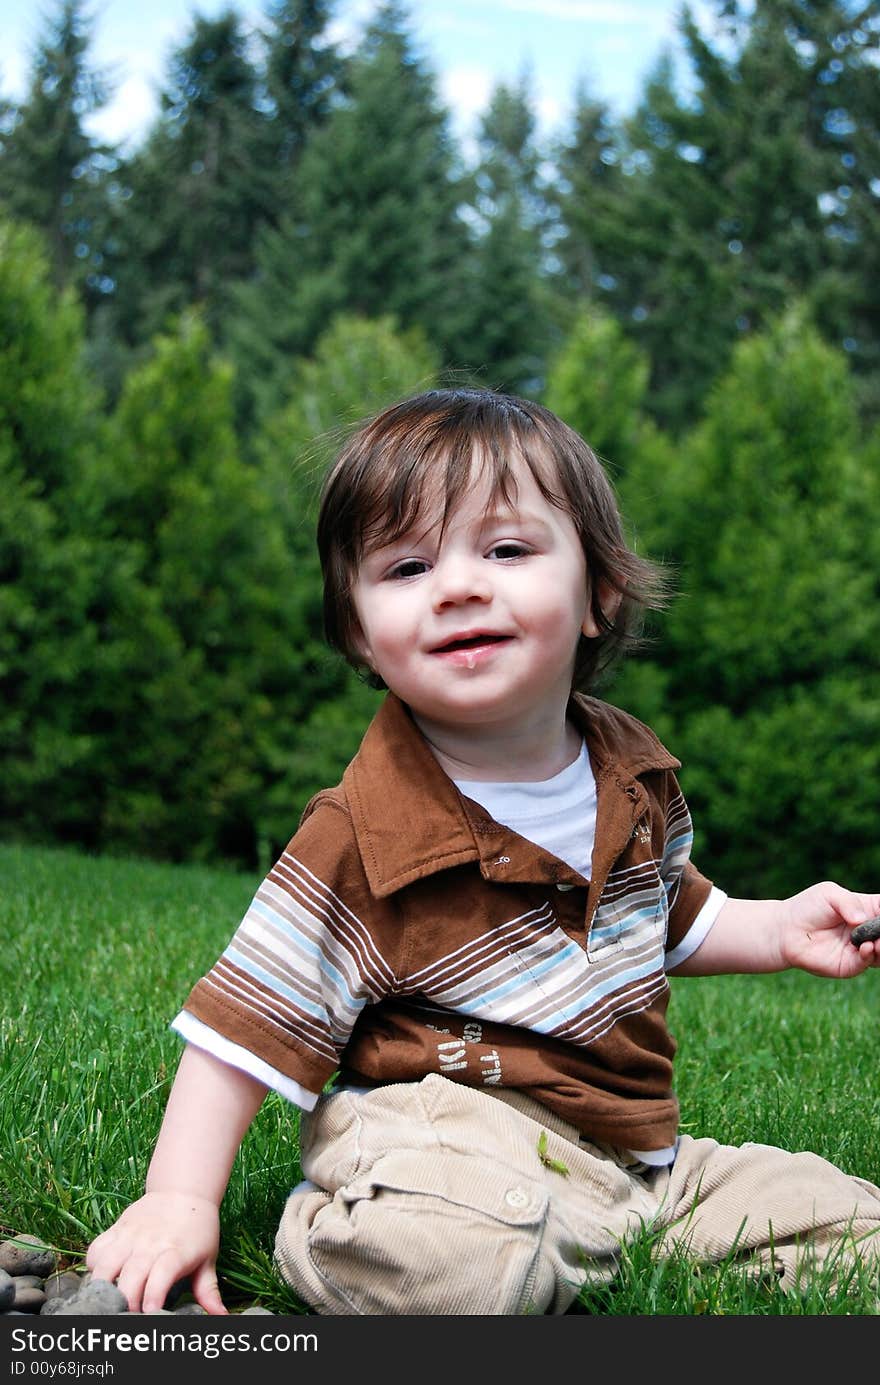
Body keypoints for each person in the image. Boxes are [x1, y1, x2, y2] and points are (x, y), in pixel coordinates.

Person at [86, 388, 880, 1317]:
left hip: (632, 1161)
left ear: (600, 593)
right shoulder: (362, 834)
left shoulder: (632, 777)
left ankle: (599, 1248)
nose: (459, 585)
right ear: (358, 630)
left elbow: (668, 919)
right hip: (446, 1133)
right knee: (455, 1251)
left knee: (845, 1223)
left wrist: (782, 927)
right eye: (408, 564)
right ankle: (368, 1231)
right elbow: (241, 1033)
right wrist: (178, 1201)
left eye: (506, 549)